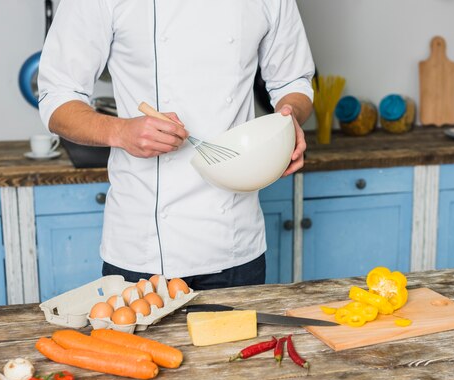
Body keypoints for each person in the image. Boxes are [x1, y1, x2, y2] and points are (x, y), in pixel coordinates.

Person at [38, 1, 315, 290]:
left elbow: (292, 81)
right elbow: (57, 97)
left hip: (236, 242)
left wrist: (288, 120)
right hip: (143, 250)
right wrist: (120, 131)